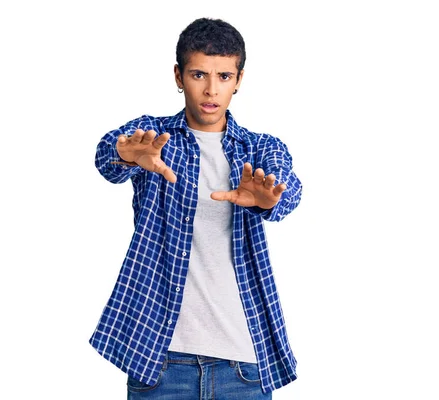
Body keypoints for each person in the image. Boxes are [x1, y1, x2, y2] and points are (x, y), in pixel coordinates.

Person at [88, 17, 302, 399]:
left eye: (223, 76)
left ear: (239, 80)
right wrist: (127, 153)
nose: (210, 89)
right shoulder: (155, 136)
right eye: (198, 74)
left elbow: (287, 187)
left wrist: (271, 199)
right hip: (159, 359)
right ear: (178, 75)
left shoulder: (259, 148)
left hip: (243, 365)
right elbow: (107, 154)